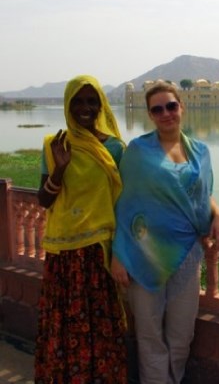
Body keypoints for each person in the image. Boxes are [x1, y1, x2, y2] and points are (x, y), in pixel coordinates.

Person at [111, 80, 219, 384]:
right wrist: (119, 254)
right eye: (157, 109)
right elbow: (126, 205)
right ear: (150, 114)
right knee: (149, 334)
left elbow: (202, 196)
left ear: (182, 107)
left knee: (181, 334)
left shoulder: (200, 152)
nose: (166, 113)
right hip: (144, 254)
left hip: (186, 254)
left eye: (171, 106)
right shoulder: (138, 151)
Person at [34, 74, 127, 383]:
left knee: (100, 325)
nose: (85, 108)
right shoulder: (55, 144)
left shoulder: (115, 148)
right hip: (64, 255)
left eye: (91, 101)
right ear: (67, 104)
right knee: (63, 324)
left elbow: (125, 203)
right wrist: (59, 169)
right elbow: (44, 200)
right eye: (78, 101)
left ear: (101, 106)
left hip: (98, 253)